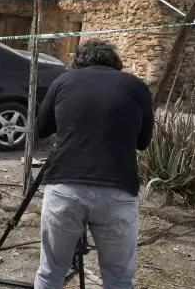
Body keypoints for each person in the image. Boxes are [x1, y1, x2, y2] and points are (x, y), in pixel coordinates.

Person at [34, 39, 154, 289]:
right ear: (115, 63)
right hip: (118, 190)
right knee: (119, 279)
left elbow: (42, 128)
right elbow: (143, 142)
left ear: (78, 62)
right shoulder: (136, 86)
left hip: (65, 187)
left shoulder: (63, 82)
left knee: (50, 273)